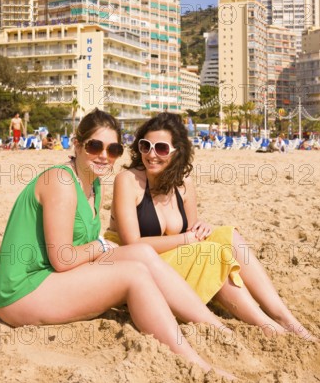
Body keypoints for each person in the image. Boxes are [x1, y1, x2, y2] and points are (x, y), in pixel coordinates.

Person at [0, 108, 235, 379]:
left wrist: (105, 248)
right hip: (22, 291)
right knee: (133, 275)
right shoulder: (61, 180)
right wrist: (102, 246)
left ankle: (216, 328)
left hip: (53, 277)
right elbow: (62, 259)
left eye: (113, 149)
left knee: (141, 252)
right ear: (77, 145)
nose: (104, 156)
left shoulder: (93, 184)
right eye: (95, 146)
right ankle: (193, 362)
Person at [107, 112, 315, 340]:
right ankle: (264, 323)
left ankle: (283, 316)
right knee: (212, 254)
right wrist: (186, 239)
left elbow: (191, 230)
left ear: (177, 152)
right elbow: (132, 243)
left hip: (173, 260)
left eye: (161, 148)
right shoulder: (129, 181)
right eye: (145, 146)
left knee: (228, 237)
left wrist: (200, 228)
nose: (151, 154)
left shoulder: (184, 184)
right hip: (138, 265)